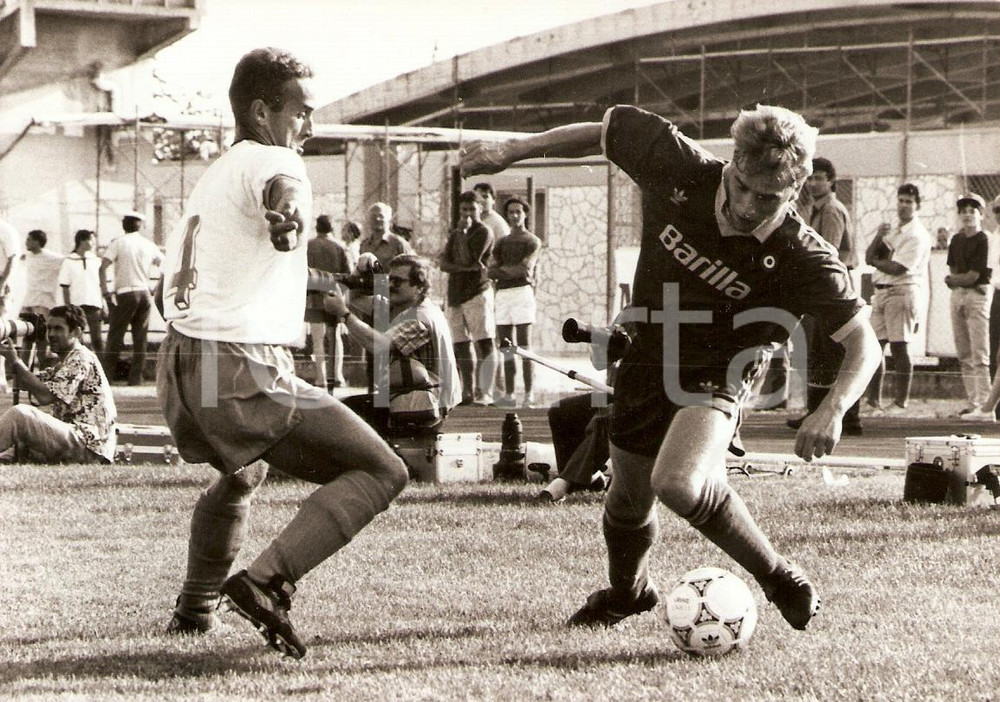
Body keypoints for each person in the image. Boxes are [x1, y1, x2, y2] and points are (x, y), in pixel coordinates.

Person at [461, 103, 879, 632]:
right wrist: (511, 151)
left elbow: (865, 344)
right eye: (743, 186)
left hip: (724, 368)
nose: (749, 206)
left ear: (795, 190)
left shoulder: (804, 254)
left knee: (678, 482)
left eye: (769, 198)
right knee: (627, 500)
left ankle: (780, 578)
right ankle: (626, 594)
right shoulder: (680, 165)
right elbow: (604, 130)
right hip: (647, 351)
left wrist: (834, 408)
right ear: (730, 165)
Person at [157, 48, 408, 660]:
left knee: (242, 475)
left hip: (182, 360)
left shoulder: (217, 172)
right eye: (302, 112)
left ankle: (196, 608)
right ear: (264, 112)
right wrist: (290, 213)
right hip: (234, 361)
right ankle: (267, 581)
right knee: (384, 470)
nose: (310, 127)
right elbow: (286, 191)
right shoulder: (275, 159)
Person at [327, 254, 460, 438]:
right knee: (345, 410)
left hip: (425, 403)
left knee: (339, 414)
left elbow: (379, 345)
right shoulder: (406, 306)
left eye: (398, 282)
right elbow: (353, 298)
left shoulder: (418, 318)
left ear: (419, 286)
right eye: (389, 279)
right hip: (417, 397)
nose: (390, 286)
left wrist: (343, 313)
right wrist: (361, 268)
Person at [786, 158, 862, 434]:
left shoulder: (831, 210)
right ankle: (815, 412)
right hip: (820, 286)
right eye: (812, 177)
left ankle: (847, 417)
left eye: (820, 178)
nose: (814, 183)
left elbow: (828, 251)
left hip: (832, 286)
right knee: (818, 349)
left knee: (834, 349)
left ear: (831, 182)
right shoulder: (814, 209)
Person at [0, 305, 116, 464]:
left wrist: (15, 360)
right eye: (49, 329)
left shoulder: (81, 358)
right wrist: (17, 353)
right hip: (78, 442)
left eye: (58, 329)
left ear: (77, 332)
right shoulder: (64, 363)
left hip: (89, 445)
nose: (51, 334)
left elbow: (44, 396)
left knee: (19, 415)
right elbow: (25, 381)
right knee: (18, 444)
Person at [864, 183, 932, 412]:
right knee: (874, 346)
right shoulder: (892, 229)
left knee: (899, 347)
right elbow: (868, 256)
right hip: (881, 292)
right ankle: (873, 400)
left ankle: (901, 401)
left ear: (917, 206)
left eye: (909, 202)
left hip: (901, 292)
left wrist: (876, 262)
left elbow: (897, 268)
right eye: (901, 201)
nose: (903, 206)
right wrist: (878, 236)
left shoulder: (917, 235)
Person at [438, 190, 498, 406]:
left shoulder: (483, 232)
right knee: (461, 343)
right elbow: (444, 264)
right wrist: (462, 267)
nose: (468, 214)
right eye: (464, 209)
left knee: (484, 341)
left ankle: (486, 391)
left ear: (480, 209)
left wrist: (463, 239)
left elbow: (467, 260)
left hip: (476, 292)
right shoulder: (455, 234)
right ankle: (467, 390)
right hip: (455, 294)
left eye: (472, 209)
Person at [490, 196, 541, 408]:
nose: (514, 216)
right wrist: (506, 272)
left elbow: (525, 269)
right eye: (511, 212)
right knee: (506, 347)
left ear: (525, 214)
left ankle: (529, 394)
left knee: (524, 345)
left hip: (522, 293)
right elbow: (490, 270)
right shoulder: (501, 242)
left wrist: (503, 272)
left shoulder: (532, 241)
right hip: (503, 295)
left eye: (518, 212)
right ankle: (510, 393)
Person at [100, 212, 162, 385]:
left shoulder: (118, 243)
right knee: (140, 338)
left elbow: (103, 267)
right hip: (144, 293)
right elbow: (165, 265)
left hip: (125, 293)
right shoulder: (148, 244)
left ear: (123, 225)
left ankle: (107, 377)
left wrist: (105, 292)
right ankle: (135, 378)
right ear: (140, 225)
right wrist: (155, 288)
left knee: (115, 336)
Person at [945, 193, 991, 417]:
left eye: (972, 211)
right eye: (963, 211)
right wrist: (955, 281)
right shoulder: (956, 240)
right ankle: (973, 401)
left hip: (976, 296)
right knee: (964, 352)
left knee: (980, 352)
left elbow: (974, 276)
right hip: (958, 296)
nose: (967, 215)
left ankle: (985, 401)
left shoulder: (984, 239)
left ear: (981, 214)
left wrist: (955, 281)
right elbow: (952, 272)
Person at [306, 214, 351, 390]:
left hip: (313, 297)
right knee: (335, 337)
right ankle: (337, 375)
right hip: (334, 296)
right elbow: (347, 274)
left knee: (317, 338)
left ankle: (320, 377)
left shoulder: (309, 246)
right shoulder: (339, 247)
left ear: (317, 228)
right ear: (332, 228)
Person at [20, 229, 64, 368]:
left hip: (43, 303)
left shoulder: (52, 258)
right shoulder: (26, 257)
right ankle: (23, 372)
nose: (26, 242)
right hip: (28, 302)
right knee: (27, 338)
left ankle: (44, 370)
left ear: (37, 242)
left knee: (41, 339)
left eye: (29, 239)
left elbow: (68, 262)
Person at [58, 229, 106, 354]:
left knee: (97, 340)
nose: (94, 243)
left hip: (94, 305)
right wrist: (68, 307)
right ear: (82, 241)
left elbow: (100, 285)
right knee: (78, 340)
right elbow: (65, 286)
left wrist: (104, 304)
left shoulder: (96, 261)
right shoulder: (69, 261)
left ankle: (101, 370)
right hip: (77, 306)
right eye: (91, 240)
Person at [0, 217, 24, 391]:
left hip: (2, 285)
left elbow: (13, 258)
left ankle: (1, 380)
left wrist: (1, 286)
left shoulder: (6, 229)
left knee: (0, 332)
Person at [359, 202, 412, 271]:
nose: (377, 219)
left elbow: (408, 271)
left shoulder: (399, 244)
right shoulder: (364, 245)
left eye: (381, 216)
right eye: (373, 216)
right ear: (368, 220)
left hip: (390, 281)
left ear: (389, 219)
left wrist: (382, 281)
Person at [986, 194, 1000, 419]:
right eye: (997, 210)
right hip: (997, 293)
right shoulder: (995, 236)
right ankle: (993, 408)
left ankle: (989, 406)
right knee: (993, 350)